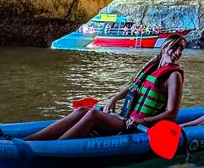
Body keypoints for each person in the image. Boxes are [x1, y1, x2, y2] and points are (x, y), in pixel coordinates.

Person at [27, 32, 188, 140]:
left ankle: (54, 148)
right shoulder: (152, 67)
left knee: (93, 115)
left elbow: (171, 114)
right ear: (165, 47)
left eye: (181, 48)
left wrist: (144, 121)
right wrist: (114, 98)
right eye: (175, 47)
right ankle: (30, 141)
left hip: (136, 126)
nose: (178, 52)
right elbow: (134, 88)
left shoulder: (173, 76)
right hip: (125, 118)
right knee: (83, 110)